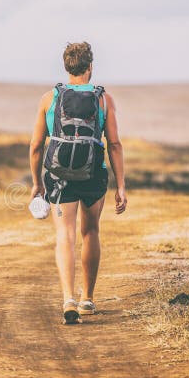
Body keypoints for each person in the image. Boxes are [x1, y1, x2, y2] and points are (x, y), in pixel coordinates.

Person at [28, 42, 127, 323]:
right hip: (94, 173)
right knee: (91, 232)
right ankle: (87, 300)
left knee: (65, 234)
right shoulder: (103, 100)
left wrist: (38, 183)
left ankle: (68, 298)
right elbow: (115, 144)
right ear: (90, 67)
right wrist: (121, 185)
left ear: (66, 67)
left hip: (59, 176)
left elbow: (36, 145)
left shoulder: (49, 99)